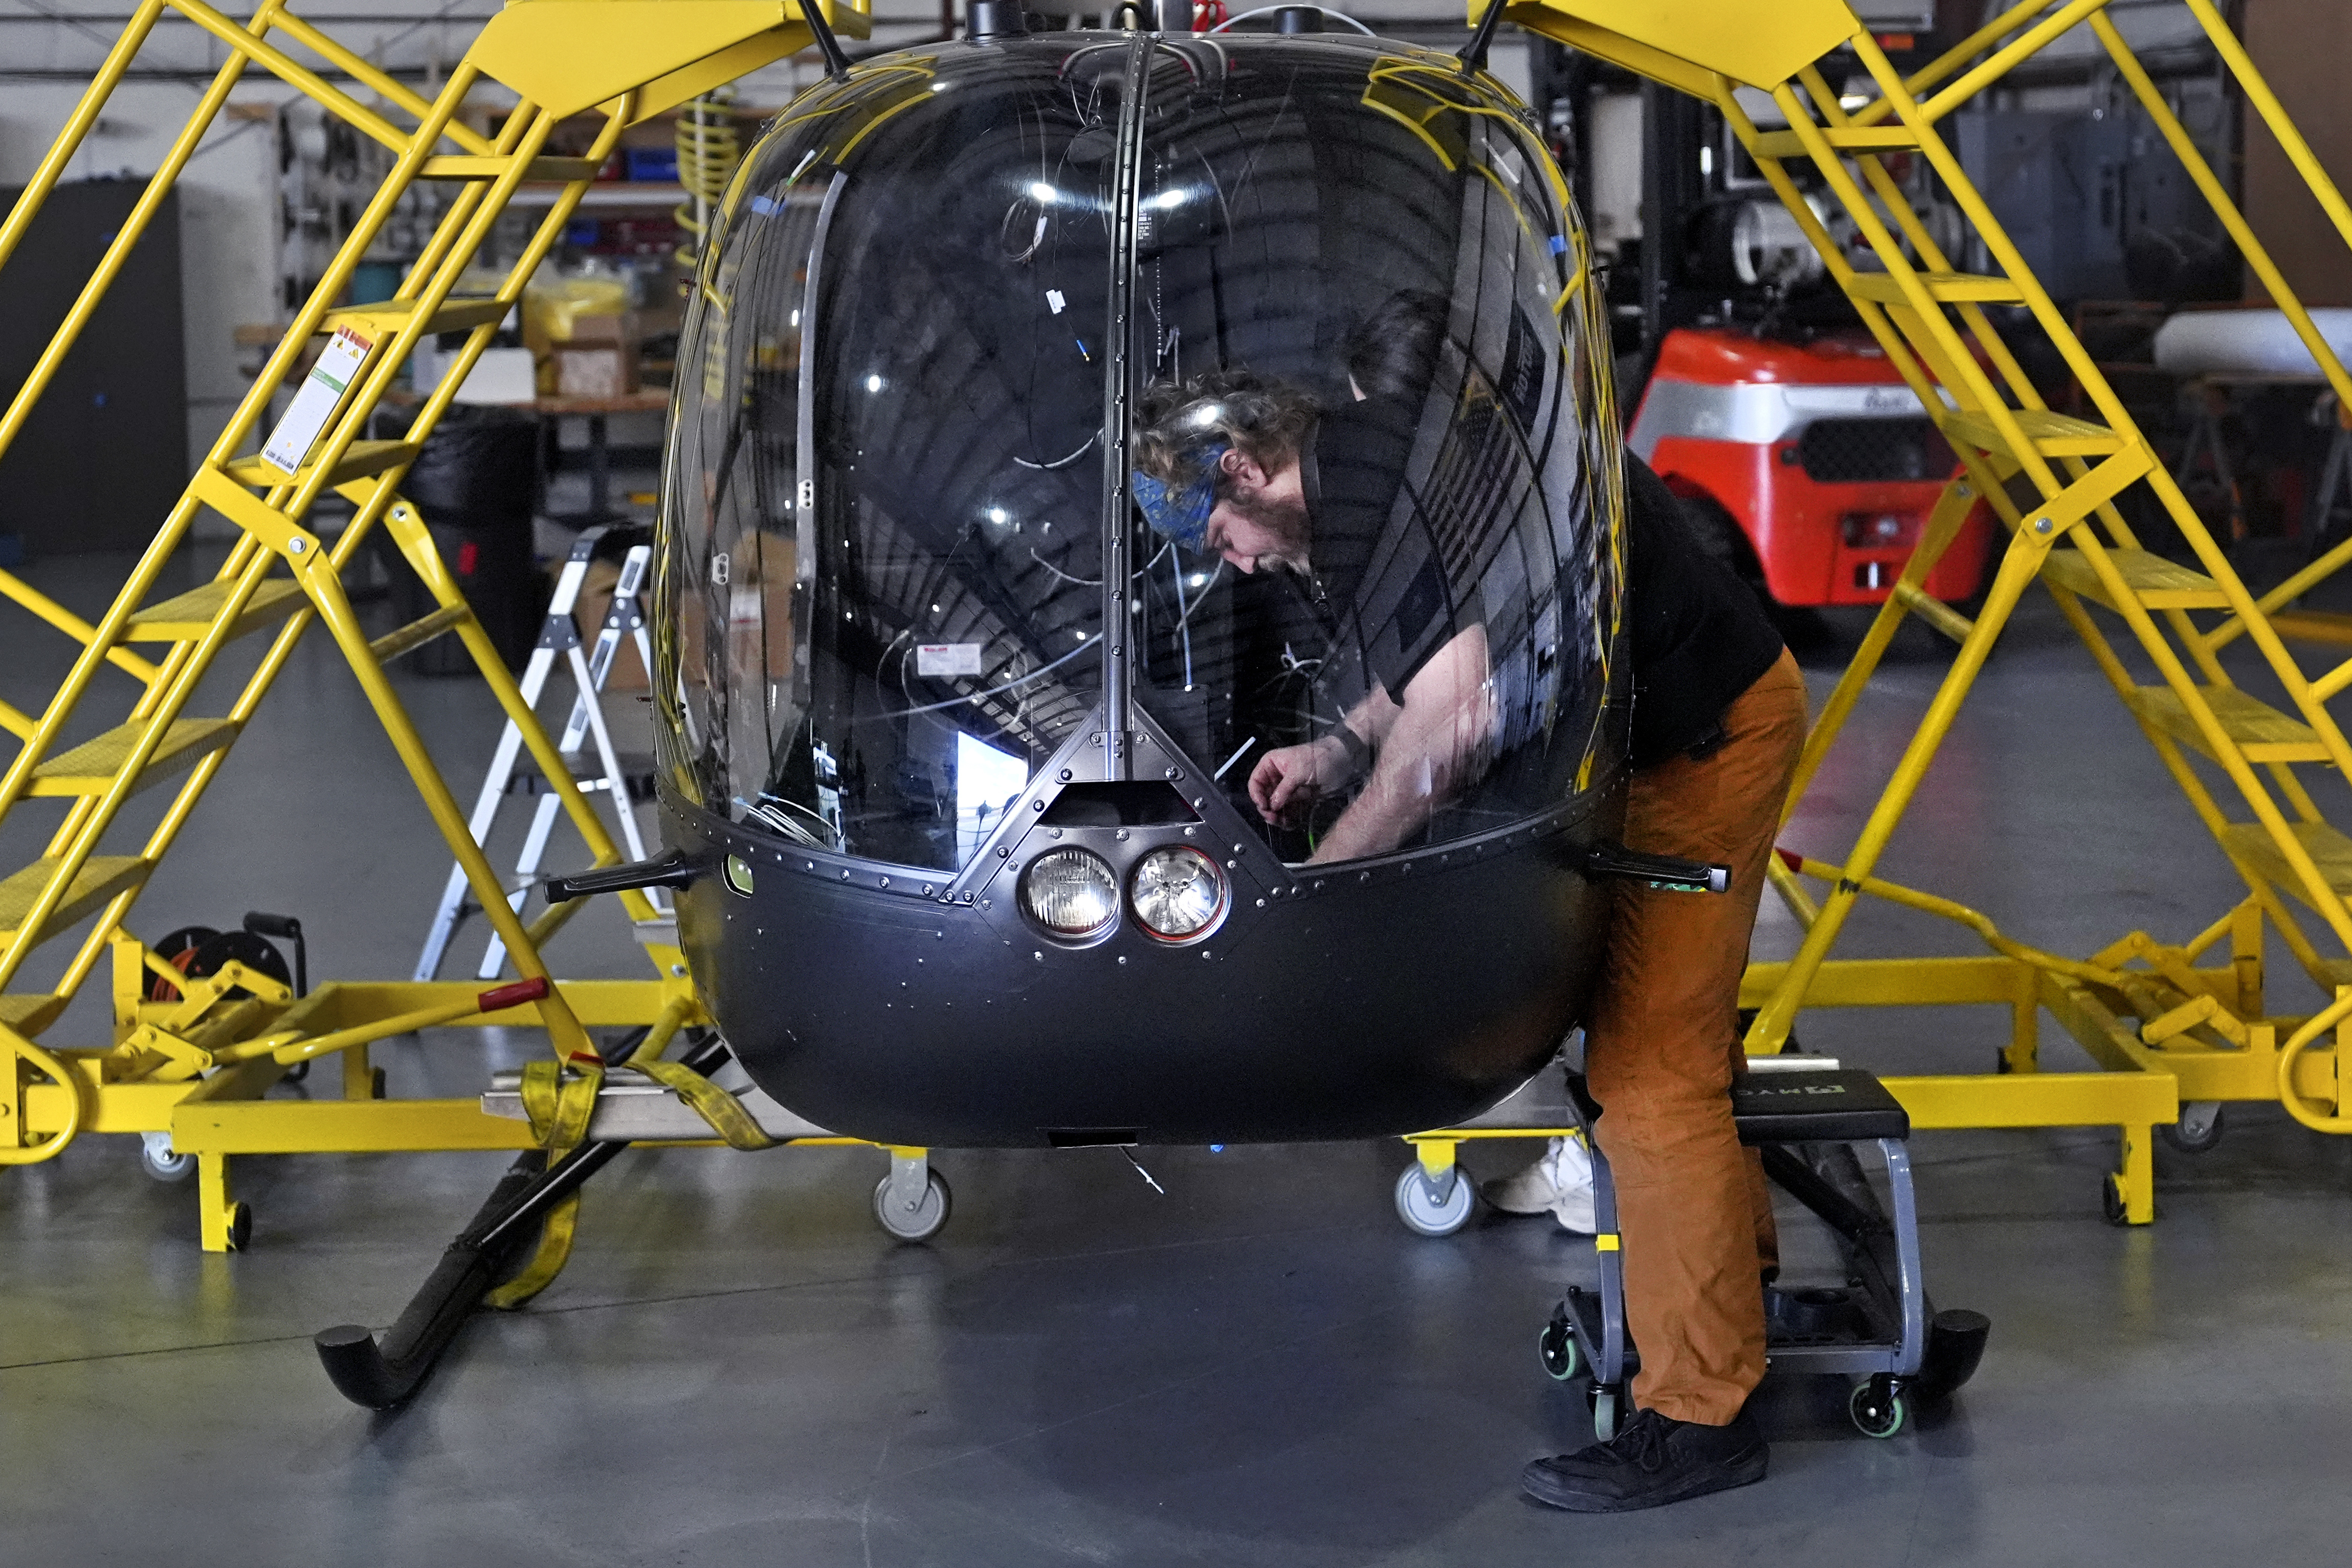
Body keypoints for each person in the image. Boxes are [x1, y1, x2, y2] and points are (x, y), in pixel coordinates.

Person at [1135, 294, 1807, 1513]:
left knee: (1652, 1078)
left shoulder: (1395, 472)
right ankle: (1732, 1290)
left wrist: (1319, 891)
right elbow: (1431, 660)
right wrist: (1335, 753)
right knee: (1648, 1068)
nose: (1227, 560)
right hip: (1647, 739)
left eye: (1218, 530)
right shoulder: (1366, 465)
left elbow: (1452, 735)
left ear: (1245, 465)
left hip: (1704, 737)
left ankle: (1701, 1411)